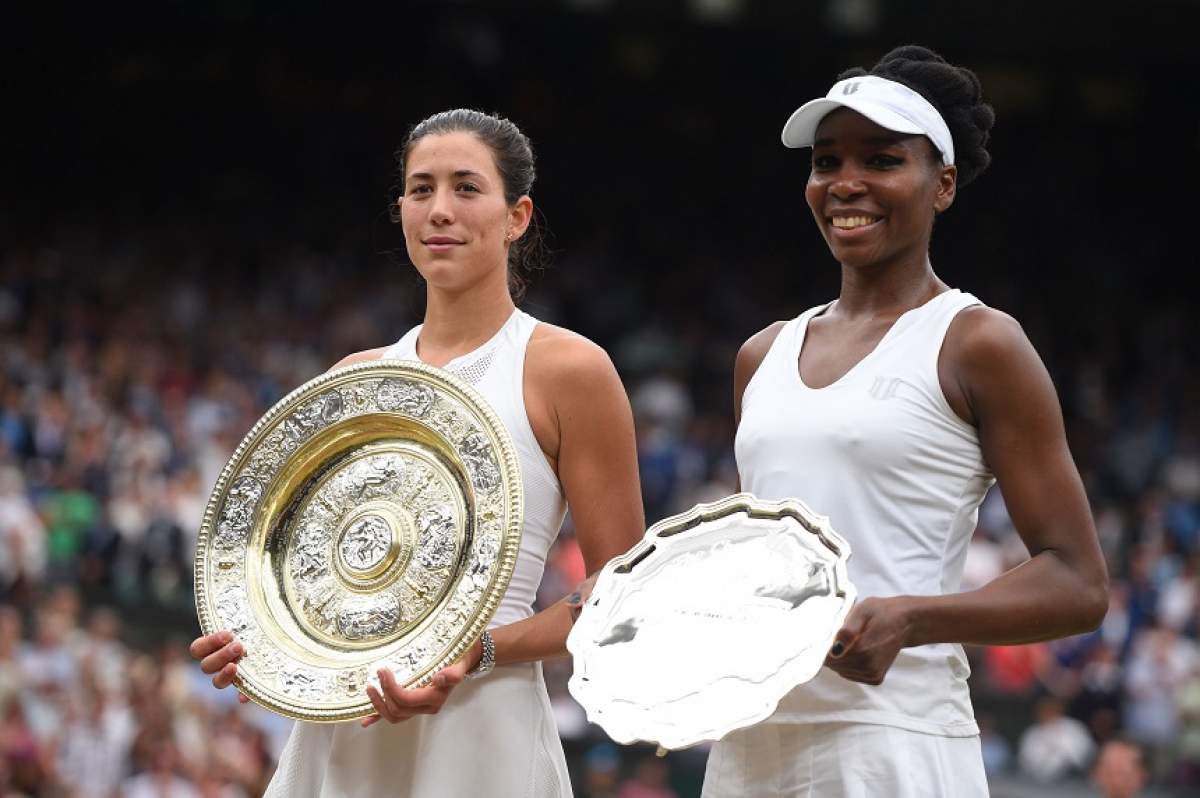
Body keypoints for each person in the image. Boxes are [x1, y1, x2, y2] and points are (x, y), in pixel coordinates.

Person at [188, 109, 646, 796]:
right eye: (421, 188)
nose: (440, 210)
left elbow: (627, 589)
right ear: (400, 208)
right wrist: (262, 647)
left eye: (466, 188)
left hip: (482, 726)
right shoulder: (353, 376)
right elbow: (313, 580)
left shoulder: (568, 369)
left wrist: (479, 648)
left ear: (517, 216)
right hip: (344, 732)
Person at [705, 46, 1109, 796]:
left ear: (943, 184)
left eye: (883, 159)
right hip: (751, 738)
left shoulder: (978, 341)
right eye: (826, 161)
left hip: (895, 738)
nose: (846, 183)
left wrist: (912, 618)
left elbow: (1079, 584)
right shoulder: (760, 354)